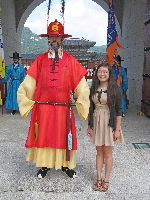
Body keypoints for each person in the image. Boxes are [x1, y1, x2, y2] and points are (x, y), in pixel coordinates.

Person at [17, 19, 90, 179]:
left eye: (57, 37)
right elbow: (27, 84)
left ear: (62, 39)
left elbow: (82, 86)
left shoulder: (71, 61)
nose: (54, 40)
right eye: (51, 37)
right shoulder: (40, 60)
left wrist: (80, 102)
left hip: (64, 109)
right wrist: (26, 101)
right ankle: (44, 165)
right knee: (44, 135)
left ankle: (66, 165)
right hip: (43, 109)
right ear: (48, 39)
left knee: (64, 136)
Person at [87, 63, 124, 192]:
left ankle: (106, 180)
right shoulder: (93, 88)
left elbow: (119, 110)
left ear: (109, 74)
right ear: (97, 73)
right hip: (97, 121)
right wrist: (89, 125)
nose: (102, 74)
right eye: (100, 72)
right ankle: (98, 178)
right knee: (99, 152)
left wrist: (117, 129)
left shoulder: (115, 89)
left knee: (107, 152)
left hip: (109, 122)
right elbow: (90, 109)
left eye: (105, 72)